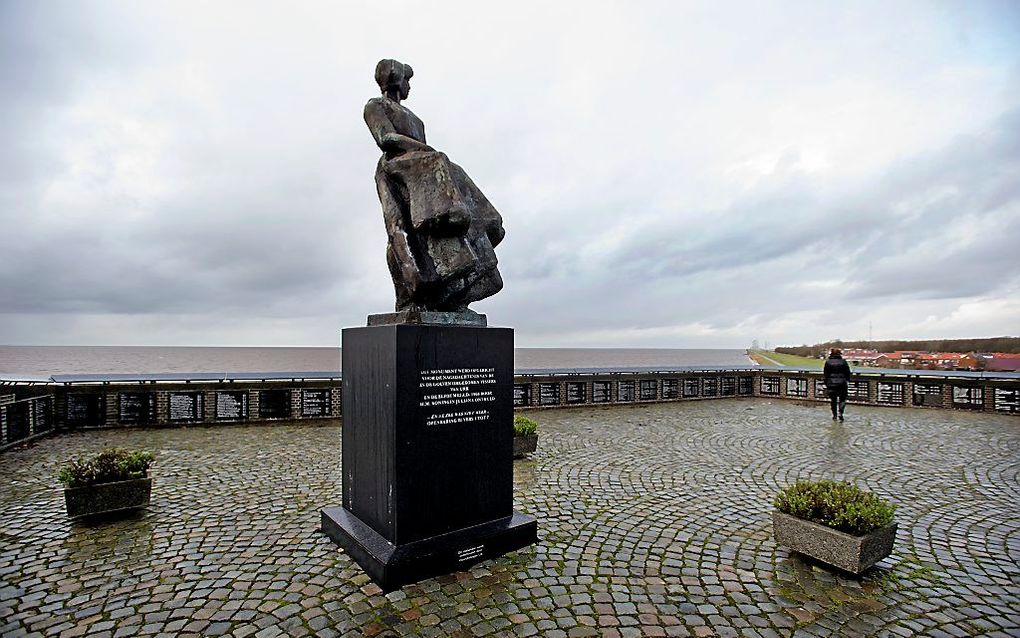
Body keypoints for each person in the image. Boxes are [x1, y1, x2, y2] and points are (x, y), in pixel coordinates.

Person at [363, 59, 505, 313]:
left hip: (423, 168)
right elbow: (386, 139)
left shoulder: (416, 120)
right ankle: (410, 297)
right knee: (401, 234)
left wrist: (430, 155)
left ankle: (451, 293)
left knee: (453, 171)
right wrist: (426, 152)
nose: (409, 86)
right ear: (396, 78)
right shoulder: (375, 106)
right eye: (407, 80)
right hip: (397, 169)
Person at [823, 348, 851, 421]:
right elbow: (847, 372)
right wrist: (847, 380)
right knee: (842, 399)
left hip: (831, 383)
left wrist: (826, 383)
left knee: (833, 400)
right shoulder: (843, 362)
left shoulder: (828, 362)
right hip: (842, 383)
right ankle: (840, 413)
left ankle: (834, 415)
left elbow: (826, 374)